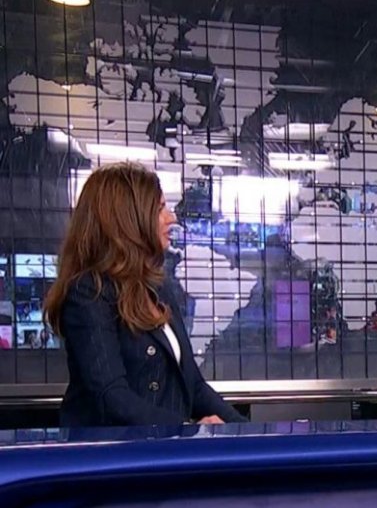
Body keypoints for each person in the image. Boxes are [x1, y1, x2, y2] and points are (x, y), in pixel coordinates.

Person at [43, 162, 247, 427]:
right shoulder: (88, 292)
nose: (172, 218)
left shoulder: (158, 288)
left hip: (166, 445)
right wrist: (186, 432)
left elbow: (194, 386)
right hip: (118, 450)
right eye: (160, 209)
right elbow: (111, 397)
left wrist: (246, 432)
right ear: (129, 219)